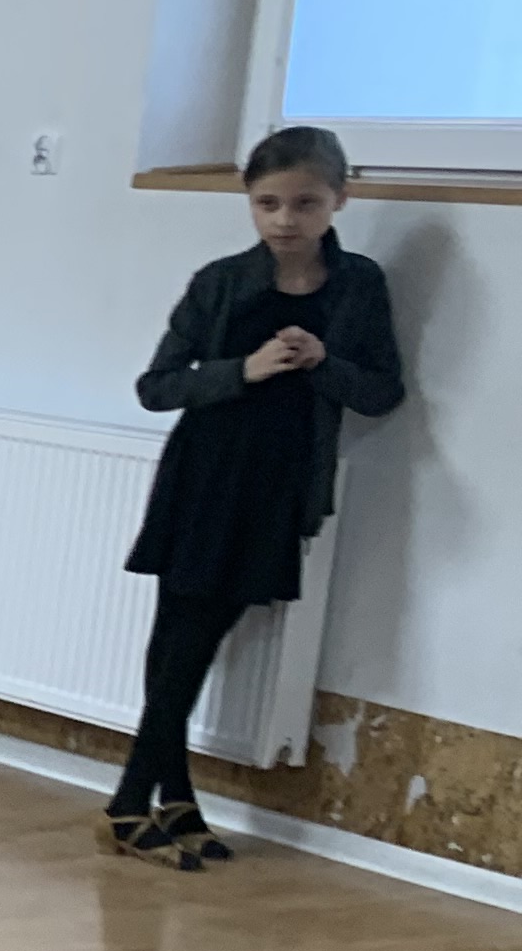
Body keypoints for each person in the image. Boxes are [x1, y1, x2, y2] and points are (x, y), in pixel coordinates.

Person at [107, 126, 400, 866]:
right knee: (181, 638)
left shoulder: (359, 284)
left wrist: (324, 360)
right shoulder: (221, 282)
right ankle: (132, 804)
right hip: (206, 476)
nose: (285, 220)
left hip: (280, 484)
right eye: (267, 204)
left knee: (196, 639)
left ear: (340, 199)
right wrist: (245, 369)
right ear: (249, 203)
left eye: (305, 203)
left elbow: (382, 390)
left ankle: (165, 799)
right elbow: (157, 387)